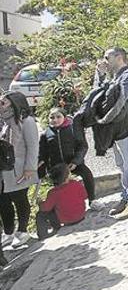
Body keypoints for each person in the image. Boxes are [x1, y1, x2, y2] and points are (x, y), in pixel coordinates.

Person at [94, 47, 128, 220]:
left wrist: (105, 120)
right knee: (122, 166)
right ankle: (126, 197)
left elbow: (121, 100)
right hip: (116, 127)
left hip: (127, 125)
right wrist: (99, 75)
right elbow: (98, 94)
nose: (104, 60)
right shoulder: (115, 77)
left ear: (119, 57)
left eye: (107, 57)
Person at [0, 92, 39, 248]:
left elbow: (33, 146)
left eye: (4, 103)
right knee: (3, 201)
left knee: (19, 199)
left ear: (14, 103)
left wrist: (30, 168)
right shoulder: (3, 121)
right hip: (4, 169)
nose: (1, 105)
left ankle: (22, 231)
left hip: (20, 169)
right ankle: (8, 232)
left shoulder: (27, 121)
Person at [38, 107, 96, 204]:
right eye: (52, 117)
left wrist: (75, 161)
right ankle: (63, 205)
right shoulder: (46, 134)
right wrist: (42, 167)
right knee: (58, 186)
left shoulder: (73, 130)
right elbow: (43, 153)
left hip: (73, 163)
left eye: (58, 117)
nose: (55, 120)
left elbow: (82, 146)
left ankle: (92, 200)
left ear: (64, 117)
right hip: (57, 166)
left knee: (87, 175)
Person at [36, 163, 87, 240]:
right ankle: (55, 227)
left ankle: (43, 235)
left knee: (40, 215)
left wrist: (40, 203)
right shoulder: (76, 183)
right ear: (67, 177)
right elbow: (85, 196)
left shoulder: (53, 192)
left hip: (67, 220)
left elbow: (45, 208)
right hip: (81, 215)